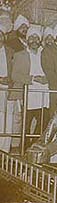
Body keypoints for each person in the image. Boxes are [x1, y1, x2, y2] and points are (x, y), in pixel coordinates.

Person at [0, 25, 14, 153]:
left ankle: (4, 152)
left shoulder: (10, 51)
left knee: (7, 121)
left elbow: (14, 71)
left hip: (7, 91)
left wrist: (9, 80)